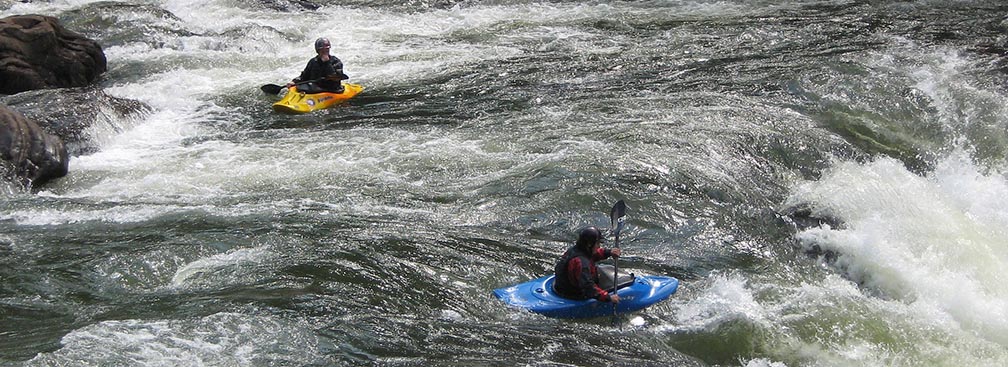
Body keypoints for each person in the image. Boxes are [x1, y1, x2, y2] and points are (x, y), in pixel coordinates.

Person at [553, 226, 622, 304]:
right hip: (572, 294)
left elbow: (594, 254)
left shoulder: (577, 249)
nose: (599, 246)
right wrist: (608, 298)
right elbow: (588, 287)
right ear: (589, 245)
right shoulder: (581, 263)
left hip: (563, 285)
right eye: (597, 243)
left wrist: (609, 252)